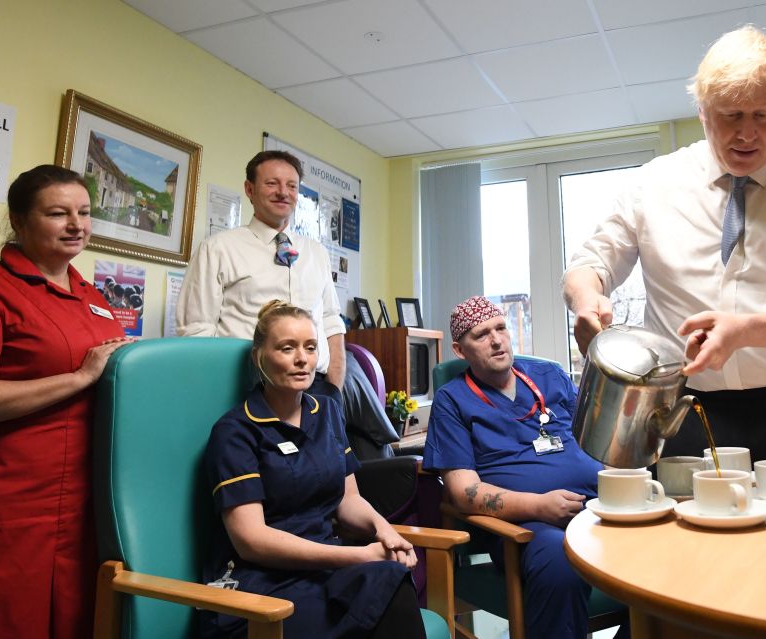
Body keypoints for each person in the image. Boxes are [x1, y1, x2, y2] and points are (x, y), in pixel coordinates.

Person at [563, 25, 766, 471]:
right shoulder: (654, 183)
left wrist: (743, 330)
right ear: (703, 113)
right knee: (680, 543)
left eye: (763, 116)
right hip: (678, 415)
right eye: (731, 115)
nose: (747, 134)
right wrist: (587, 301)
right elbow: (592, 261)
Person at [0, 164, 131, 638]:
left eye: (85, 213)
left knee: (73, 620)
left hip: (81, 495)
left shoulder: (93, 295)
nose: (77, 225)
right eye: (58, 213)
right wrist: (79, 378)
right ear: (20, 220)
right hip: (7, 494)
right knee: (1, 621)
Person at [201, 300, 424, 639]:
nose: (302, 359)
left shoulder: (328, 412)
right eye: (286, 348)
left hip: (323, 568)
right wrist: (356, 555)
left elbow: (348, 501)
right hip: (260, 583)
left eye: (310, 347)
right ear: (259, 356)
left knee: (390, 580)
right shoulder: (236, 432)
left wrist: (385, 531)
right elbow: (251, 541)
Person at [177, 150, 398, 458]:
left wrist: (333, 390)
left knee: (352, 469)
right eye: (272, 183)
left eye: (292, 186)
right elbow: (197, 332)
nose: (283, 192)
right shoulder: (218, 249)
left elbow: (332, 322)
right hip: (254, 389)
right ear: (250, 190)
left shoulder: (315, 253)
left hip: (317, 387)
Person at [423, 296, 610, 639]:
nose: (496, 340)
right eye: (481, 335)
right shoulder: (452, 400)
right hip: (529, 527)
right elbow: (463, 493)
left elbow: (598, 439)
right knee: (560, 559)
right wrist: (539, 506)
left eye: (500, 328)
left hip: (599, 509)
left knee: (669, 552)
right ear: (459, 350)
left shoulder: (549, 376)